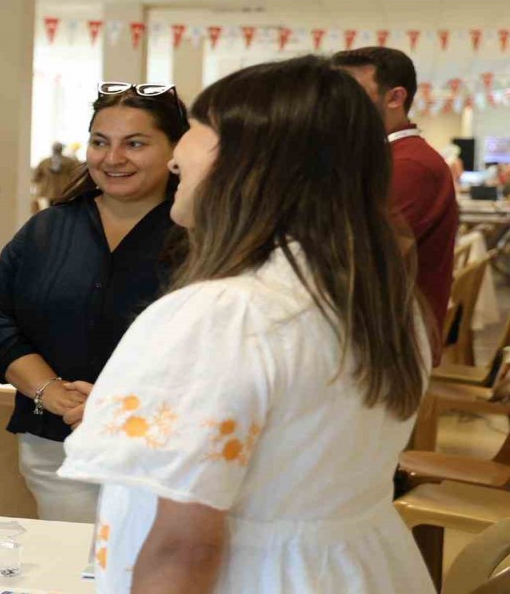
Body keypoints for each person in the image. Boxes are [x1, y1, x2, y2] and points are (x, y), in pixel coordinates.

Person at [58, 56, 432, 592]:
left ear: (251, 162)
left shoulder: (226, 315)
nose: (179, 152)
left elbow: (183, 548)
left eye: (196, 132)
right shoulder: (379, 299)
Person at [0, 84, 186, 524]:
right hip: (57, 447)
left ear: (175, 149)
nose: (112, 159)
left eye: (135, 144)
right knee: (70, 573)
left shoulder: (206, 236)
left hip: (166, 449)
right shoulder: (46, 230)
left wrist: (117, 406)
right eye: (100, 142)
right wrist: (51, 392)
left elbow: (217, 349)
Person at [333, 47, 458, 360]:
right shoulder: (388, 157)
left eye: (352, 93)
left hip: (394, 346)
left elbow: (356, 255)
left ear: (394, 97)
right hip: (378, 329)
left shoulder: (410, 165)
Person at [31, 141, 82, 209]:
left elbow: (36, 178)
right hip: (60, 192)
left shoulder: (45, 162)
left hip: (52, 192)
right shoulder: (70, 162)